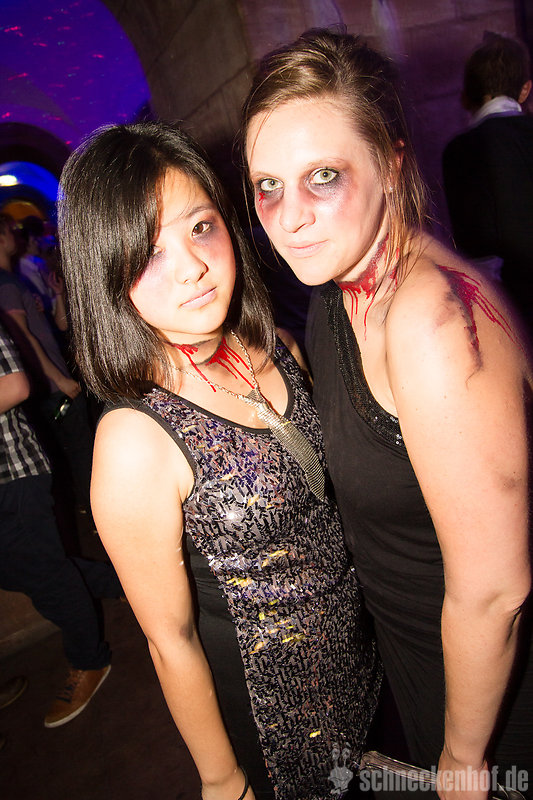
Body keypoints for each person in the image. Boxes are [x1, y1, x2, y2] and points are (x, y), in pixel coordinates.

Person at [242, 28, 533, 800]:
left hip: (491, 697)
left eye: (322, 176)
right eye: (267, 185)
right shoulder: (333, 289)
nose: (289, 217)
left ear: (391, 162)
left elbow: (494, 592)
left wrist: (464, 756)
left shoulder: (432, 325)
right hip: (415, 649)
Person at [57, 120, 381, 800]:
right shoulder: (135, 440)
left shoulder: (280, 349)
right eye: (149, 252)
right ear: (105, 273)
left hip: (368, 666)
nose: (192, 266)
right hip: (279, 727)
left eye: (200, 227)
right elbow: (170, 639)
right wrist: (222, 780)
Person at [0, 320, 122, 727]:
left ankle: (90, 661)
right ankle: (125, 583)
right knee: (21, 570)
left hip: (13, 474)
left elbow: (14, 384)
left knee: (46, 576)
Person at [0, 213, 94, 515]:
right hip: (53, 387)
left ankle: (89, 513)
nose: (16, 235)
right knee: (80, 452)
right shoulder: (5, 284)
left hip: (54, 381)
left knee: (79, 450)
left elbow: (59, 326)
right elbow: (24, 338)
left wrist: (57, 295)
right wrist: (60, 380)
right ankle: (95, 515)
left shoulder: (15, 280)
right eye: (10, 230)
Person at [442, 32, 533, 327]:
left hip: (515, 308)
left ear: (465, 96)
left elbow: (476, 249)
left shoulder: (461, 152)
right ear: (525, 90)